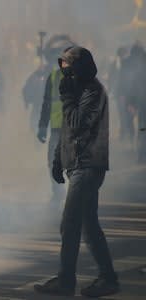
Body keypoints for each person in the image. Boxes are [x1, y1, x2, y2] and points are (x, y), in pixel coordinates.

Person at [34, 46, 120, 297]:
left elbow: (78, 124)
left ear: (80, 69)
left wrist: (68, 99)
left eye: (70, 71)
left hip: (88, 165)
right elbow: (66, 131)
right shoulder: (79, 89)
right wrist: (58, 159)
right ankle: (107, 278)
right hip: (77, 164)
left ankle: (66, 281)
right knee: (88, 225)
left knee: (70, 223)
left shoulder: (93, 91)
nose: (66, 77)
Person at [37, 35, 74, 206]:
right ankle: (58, 193)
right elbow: (46, 104)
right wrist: (42, 127)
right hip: (57, 130)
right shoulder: (52, 78)